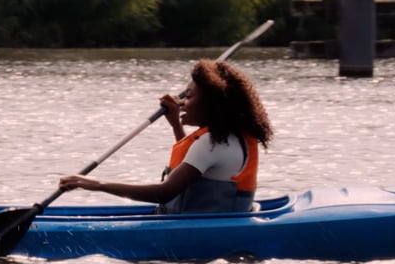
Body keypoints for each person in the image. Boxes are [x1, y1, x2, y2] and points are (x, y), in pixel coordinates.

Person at [59, 59, 273, 213]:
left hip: (197, 229)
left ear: (212, 104)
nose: (181, 104)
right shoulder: (231, 136)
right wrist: (175, 125)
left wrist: (93, 184)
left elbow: (164, 193)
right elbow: (195, 166)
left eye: (188, 97)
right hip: (217, 218)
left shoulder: (212, 143)